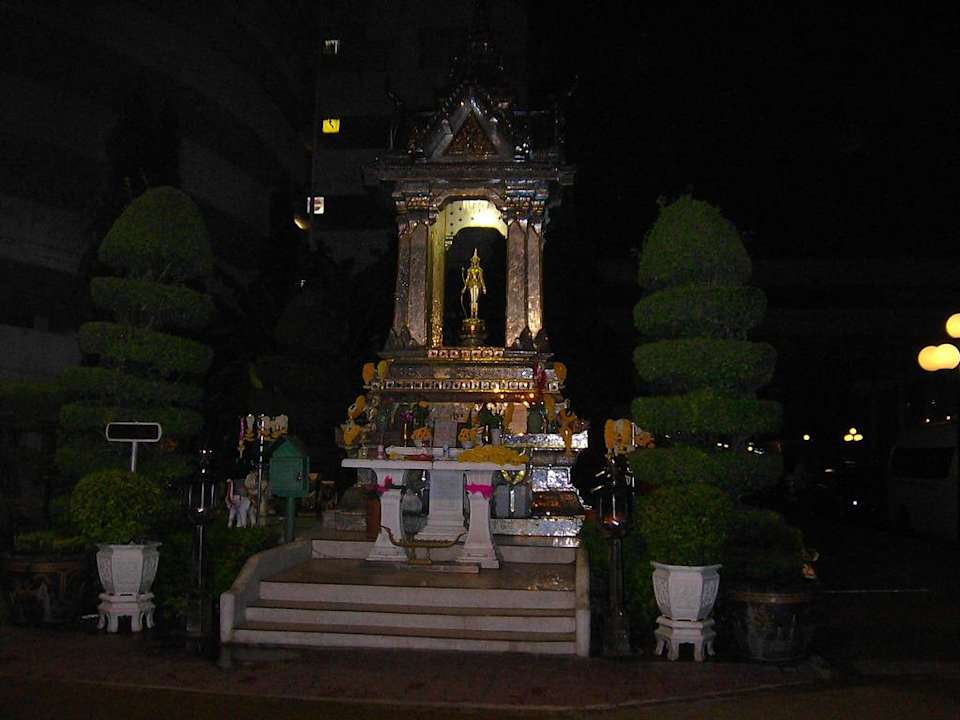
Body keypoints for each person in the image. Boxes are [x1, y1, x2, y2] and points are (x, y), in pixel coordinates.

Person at [461, 248, 486, 319]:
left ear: (477, 261)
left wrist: (484, 287)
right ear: (472, 261)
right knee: (472, 300)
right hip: (471, 285)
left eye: (476, 260)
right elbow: (467, 279)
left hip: (477, 285)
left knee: (476, 300)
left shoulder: (480, 270)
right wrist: (464, 288)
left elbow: (481, 279)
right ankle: (472, 316)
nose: (474, 262)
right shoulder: (469, 270)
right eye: (473, 260)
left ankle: (476, 316)